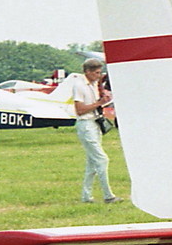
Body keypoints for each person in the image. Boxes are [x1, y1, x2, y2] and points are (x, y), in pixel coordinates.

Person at [49, 57, 120, 203]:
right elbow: (80, 110)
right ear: (88, 72)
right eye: (96, 73)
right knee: (102, 159)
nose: (99, 76)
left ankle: (86, 196)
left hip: (94, 123)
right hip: (86, 123)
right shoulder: (79, 86)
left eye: (100, 73)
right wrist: (98, 103)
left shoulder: (94, 84)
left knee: (92, 163)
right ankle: (108, 195)